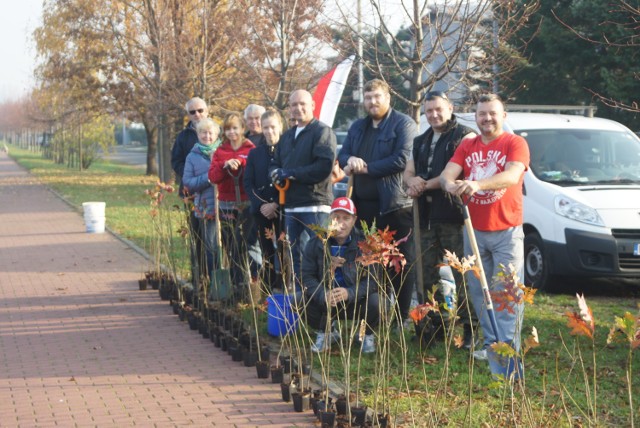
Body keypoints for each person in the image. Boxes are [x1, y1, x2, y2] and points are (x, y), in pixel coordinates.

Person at [440, 93, 530, 361]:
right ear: (475, 117)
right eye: (482, 114)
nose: (487, 118)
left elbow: (513, 175)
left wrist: (477, 184)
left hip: (507, 231)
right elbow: (447, 175)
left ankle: (509, 347)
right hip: (474, 231)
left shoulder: (515, 143)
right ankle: (491, 344)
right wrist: (451, 185)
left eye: (492, 113)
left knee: (507, 292)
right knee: (480, 291)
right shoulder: (468, 146)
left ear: (503, 116)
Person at [337, 79, 417, 325]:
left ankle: (402, 317)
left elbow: (402, 159)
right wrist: (350, 160)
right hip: (364, 207)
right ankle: (377, 315)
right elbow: (342, 154)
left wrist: (366, 168)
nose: (372, 102)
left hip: (395, 206)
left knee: (400, 263)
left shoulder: (403, 123)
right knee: (372, 264)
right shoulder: (358, 126)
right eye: (368, 97)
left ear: (388, 98)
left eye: (377, 97)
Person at [403, 90, 477, 348]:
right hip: (424, 216)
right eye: (429, 110)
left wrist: (423, 185)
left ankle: (471, 330)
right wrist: (411, 181)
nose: (434, 114)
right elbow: (409, 170)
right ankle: (433, 328)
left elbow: (456, 175)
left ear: (450, 107)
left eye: (438, 109)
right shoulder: (420, 139)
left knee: (463, 275)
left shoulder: (465, 136)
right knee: (424, 276)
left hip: (454, 215)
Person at [269, 89, 337, 287]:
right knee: (297, 258)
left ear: (312, 106)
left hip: (315, 205)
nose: (298, 108)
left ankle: (324, 306)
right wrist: (274, 173)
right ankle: (302, 303)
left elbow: (323, 167)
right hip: (291, 206)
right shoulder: (287, 136)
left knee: (318, 256)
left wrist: (291, 173)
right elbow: (275, 162)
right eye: (293, 105)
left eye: (302, 104)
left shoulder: (322, 132)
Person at [303, 197, 379, 353]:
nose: (341, 223)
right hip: (327, 300)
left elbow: (373, 281)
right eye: (336, 217)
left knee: (377, 303)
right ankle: (327, 332)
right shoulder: (316, 243)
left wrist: (349, 293)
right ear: (330, 218)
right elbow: (307, 277)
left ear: (354, 220)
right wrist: (322, 294)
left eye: (346, 218)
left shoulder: (366, 245)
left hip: (356, 299)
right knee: (301, 299)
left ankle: (364, 334)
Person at [208, 113, 256, 300]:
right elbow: (213, 176)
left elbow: (254, 169)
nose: (231, 132)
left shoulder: (250, 149)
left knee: (242, 244)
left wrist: (241, 162)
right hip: (227, 203)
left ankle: (246, 283)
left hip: (246, 203)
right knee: (229, 245)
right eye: (228, 129)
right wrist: (225, 165)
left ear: (243, 129)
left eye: (235, 128)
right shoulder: (220, 151)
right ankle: (234, 286)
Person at [244, 109, 283, 291]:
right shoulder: (255, 153)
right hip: (261, 211)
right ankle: (268, 289)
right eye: (265, 127)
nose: (269, 131)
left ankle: (283, 286)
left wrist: (276, 203)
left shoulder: (287, 151)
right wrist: (262, 205)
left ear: (280, 127)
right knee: (266, 250)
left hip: (282, 208)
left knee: (283, 250)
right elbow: (248, 183)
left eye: (273, 127)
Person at [171, 97, 209, 286]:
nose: (197, 115)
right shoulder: (183, 137)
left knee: (216, 236)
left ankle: (215, 275)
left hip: (214, 194)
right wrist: (189, 174)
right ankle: (198, 276)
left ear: (207, 110)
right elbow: (175, 161)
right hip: (191, 193)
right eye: (192, 112)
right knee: (197, 236)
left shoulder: (215, 132)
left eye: (200, 110)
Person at [182, 118, 222, 282]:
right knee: (211, 247)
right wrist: (208, 178)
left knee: (227, 246)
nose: (207, 136)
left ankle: (229, 281)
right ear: (198, 134)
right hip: (206, 209)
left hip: (226, 208)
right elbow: (188, 183)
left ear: (216, 134)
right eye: (203, 132)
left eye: (211, 132)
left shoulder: (223, 152)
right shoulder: (192, 156)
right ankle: (214, 281)